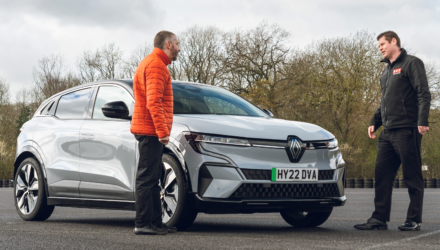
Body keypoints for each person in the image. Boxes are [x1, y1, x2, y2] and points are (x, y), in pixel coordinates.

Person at [354, 31, 431, 231]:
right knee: (381, 175)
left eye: (382, 44)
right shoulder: (386, 72)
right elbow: (385, 102)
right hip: (387, 133)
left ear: (394, 41)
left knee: (412, 176)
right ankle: (379, 219)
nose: (379, 47)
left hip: (407, 129)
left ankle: (414, 219)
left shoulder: (412, 63)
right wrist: (375, 122)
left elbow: (423, 92)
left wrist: (422, 120)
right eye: (378, 45)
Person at [131, 30, 181, 235]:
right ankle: (143, 223)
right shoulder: (156, 66)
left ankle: (155, 223)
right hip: (150, 130)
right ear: (168, 44)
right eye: (177, 44)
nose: (179, 48)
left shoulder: (153, 63)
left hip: (150, 129)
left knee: (153, 178)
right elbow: (153, 102)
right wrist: (162, 132)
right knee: (147, 178)